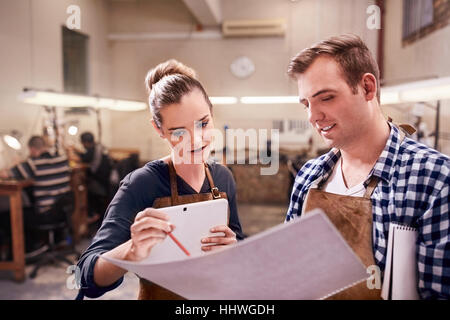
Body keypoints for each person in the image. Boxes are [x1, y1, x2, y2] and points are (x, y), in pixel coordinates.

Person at [285, 34, 449, 299]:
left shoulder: (434, 179)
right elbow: (291, 271)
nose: (313, 116)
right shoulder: (309, 177)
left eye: (326, 98)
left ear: (367, 88)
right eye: (307, 104)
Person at [77, 59, 245, 299]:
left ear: (212, 113)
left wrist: (234, 248)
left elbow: (238, 243)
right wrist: (131, 251)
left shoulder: (223, 177)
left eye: (204, 123)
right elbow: (85, 276)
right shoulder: (142, 184)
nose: (196, 140)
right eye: (178, 131)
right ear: (158, 129)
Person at [0, 136, 71, 254]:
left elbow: (6, 174)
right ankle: (47, 242)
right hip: (62, 212)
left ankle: (28, 249)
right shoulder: (63, 160)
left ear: (32, 149)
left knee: (7, 216)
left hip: (45, 214)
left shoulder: (33, 164)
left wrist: (16, 163)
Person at [76, 132, 112, 224]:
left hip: (99, 182)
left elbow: (83, 159)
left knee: (82, 188)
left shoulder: (92, 150)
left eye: (83, 143)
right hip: (106, 181)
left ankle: (91, 215)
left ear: (86, 142)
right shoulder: (99, 147)